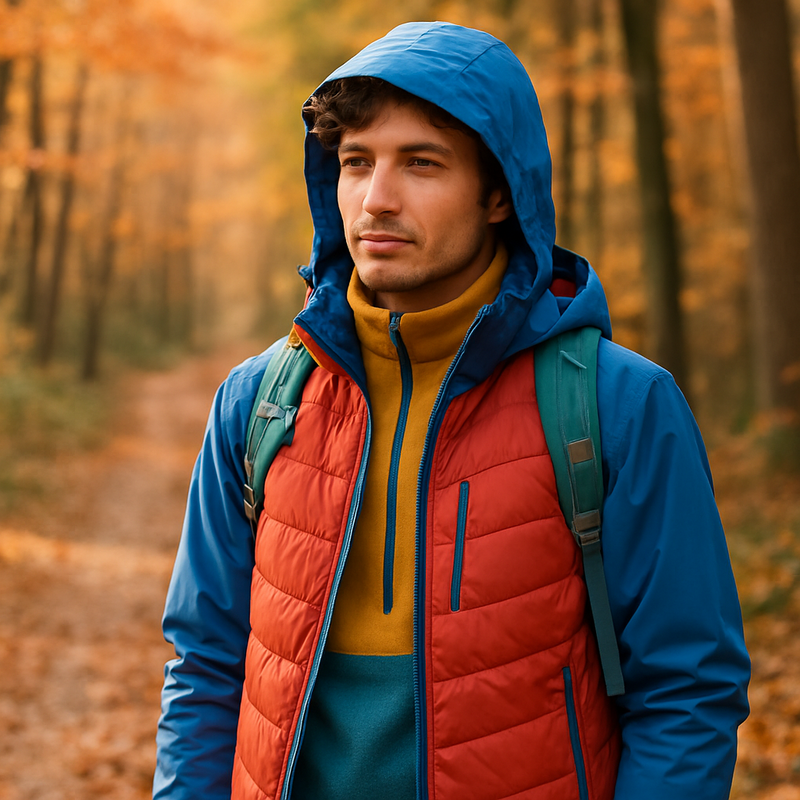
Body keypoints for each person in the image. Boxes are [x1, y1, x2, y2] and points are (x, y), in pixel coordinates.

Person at [153, 21, 750, 800]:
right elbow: (203, 667)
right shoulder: (259, 402)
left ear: (499, 192)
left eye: (421, 165)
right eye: (356, 163)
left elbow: (687, 690)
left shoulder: (617, 405)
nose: (377, 199)